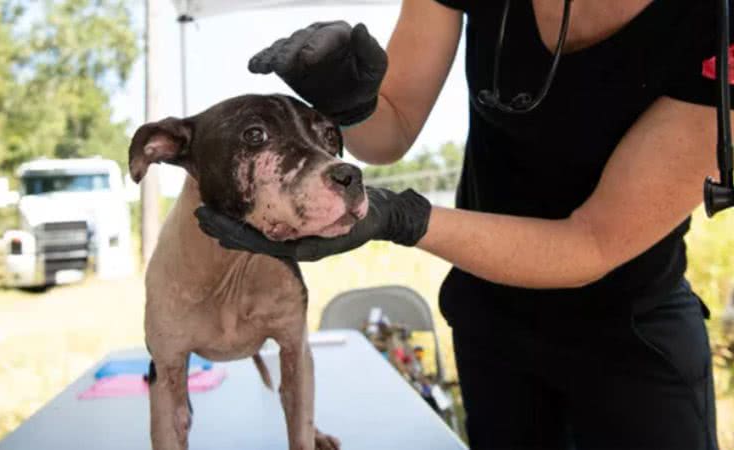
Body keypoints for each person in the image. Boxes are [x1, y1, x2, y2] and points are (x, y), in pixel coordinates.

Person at [196, 1, 726, 448]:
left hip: (631, 344)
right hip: (492, 330)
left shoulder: (716, 24)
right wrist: (349, 102)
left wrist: (400, 219)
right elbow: (392, 127)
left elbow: (590, 243)